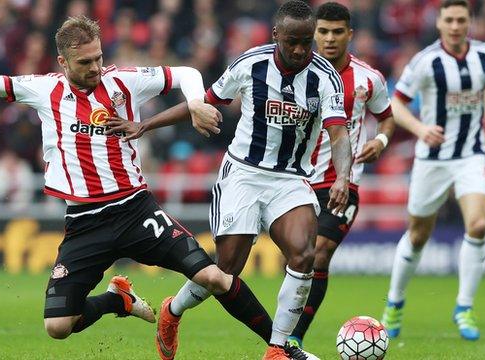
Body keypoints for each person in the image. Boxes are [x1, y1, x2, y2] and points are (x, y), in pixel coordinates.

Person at [0, 16, 275, 353]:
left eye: (99, 57)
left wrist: (196, 102)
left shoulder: (125, 81)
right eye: (85, 62)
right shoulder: (44, 89)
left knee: (215, 278)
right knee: (58, 327)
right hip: (85, 224)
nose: (96, 67)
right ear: (63, 62)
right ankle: (118, 301)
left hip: (136, 209)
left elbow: (186, 73)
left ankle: (280, 348)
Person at [107, 2, 352, 359]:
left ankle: (278, 348)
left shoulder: (325, 77)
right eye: (292, 41)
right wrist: (145, 125)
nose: (300, 50)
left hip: (290, 179)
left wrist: (343, 176)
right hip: (243, 175)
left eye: (306, 42)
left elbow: (338, 133)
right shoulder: (250, 64)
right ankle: (172, 310)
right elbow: (204, 103)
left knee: (304, 255)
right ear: (276, 36)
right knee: (226, 269)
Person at [380, 0, 485, 341]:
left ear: (469, 22)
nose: (456, 26)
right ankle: (394, 302)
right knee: (417, 236)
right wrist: (420, 130)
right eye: (450, 20)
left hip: (471, 155)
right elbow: (396, 104)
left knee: (477, 224)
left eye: (462, 20)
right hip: (431, 158)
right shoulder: (426, 61)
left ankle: (464, 307)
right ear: (440, 23)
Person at [285, 2, 396, 349]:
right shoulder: (294, 73)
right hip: (294, 181)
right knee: (298, 258)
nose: (329, 39)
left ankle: (292, 338)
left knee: (319, 253)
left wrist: (381, 138)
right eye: (323, 32)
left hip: (342, 184)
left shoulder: (369, 78)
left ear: (350, 34)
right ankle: (282, 331)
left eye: (337, 32)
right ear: (313, 33)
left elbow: (387, 116)